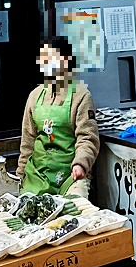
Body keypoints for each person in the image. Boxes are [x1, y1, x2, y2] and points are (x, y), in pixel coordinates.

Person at [16, 37, 100, 198]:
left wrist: (81, 164)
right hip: (36, 175)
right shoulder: (35, 96)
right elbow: (27, 142)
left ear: (66, 59)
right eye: (43, 59)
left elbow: (88, 138)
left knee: (76, 209)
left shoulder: (81, 96)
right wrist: (20, 176)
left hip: (70, 175)